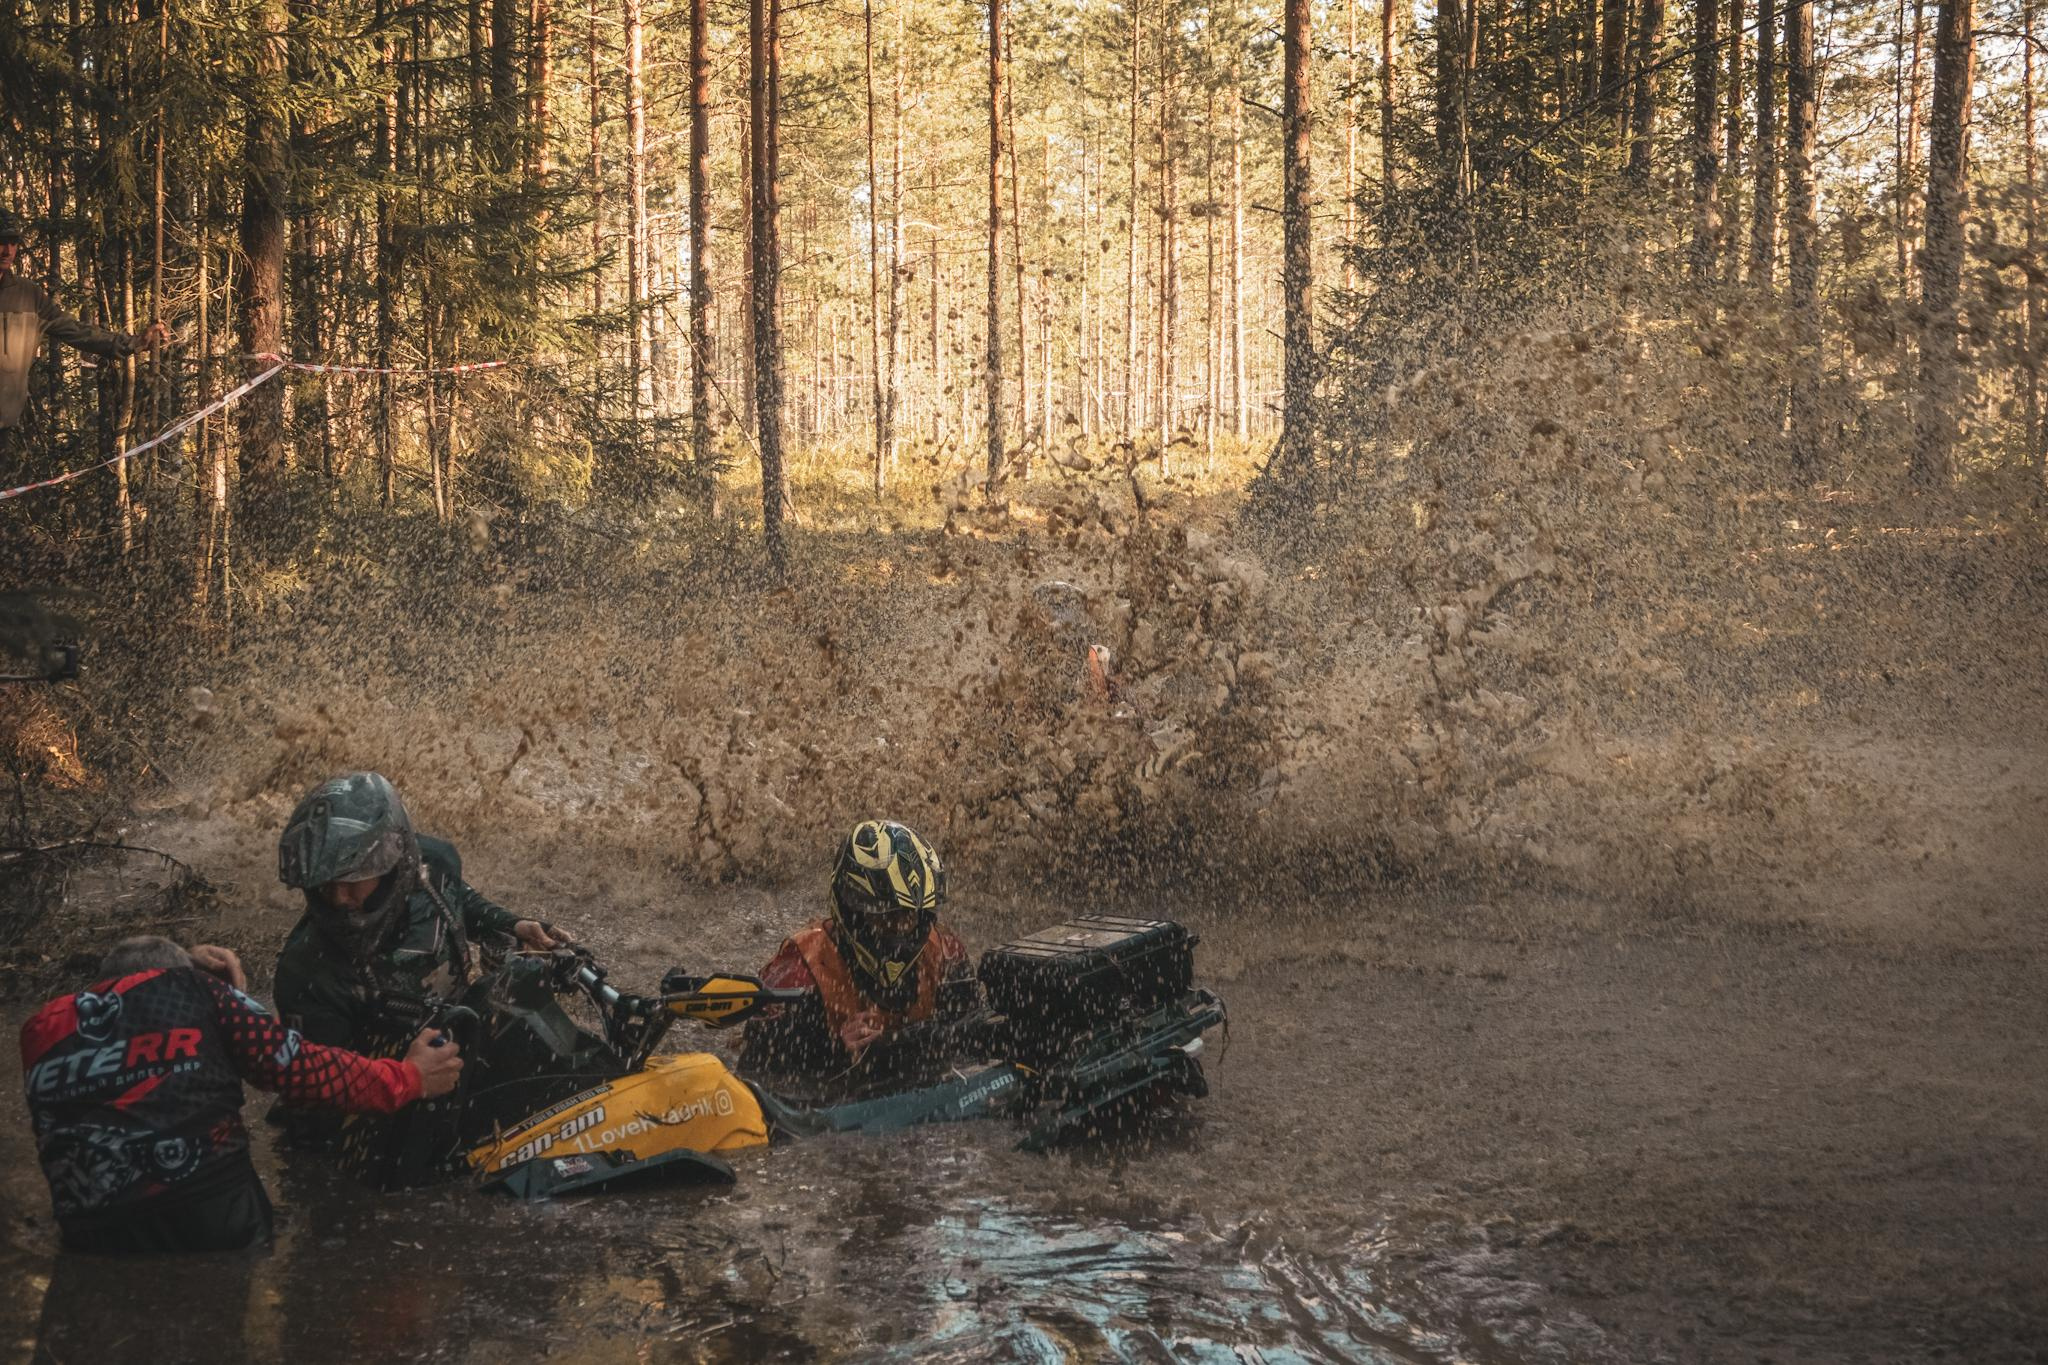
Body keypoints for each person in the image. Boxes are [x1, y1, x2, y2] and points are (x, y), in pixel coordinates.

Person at [19, 935, 462, 1254]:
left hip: (88, 1231)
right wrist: (409, 1077)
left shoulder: (40, 1029)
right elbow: (301, 1069)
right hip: (209, 1213)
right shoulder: (197, 992)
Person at [269, 772, 568, 1143]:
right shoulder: (306, 975)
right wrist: (407, 1076)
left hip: (460, 1041)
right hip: (392, 1105)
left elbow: (458, 900)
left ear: (393, 863)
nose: (339, 898)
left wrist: (511, 924)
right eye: (325, 884)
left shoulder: (433, 867)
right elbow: (319, 1104)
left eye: (352, 879)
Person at [740, 820, 980, 1085]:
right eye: (885, 917)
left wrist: (897, 1044)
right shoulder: (798, 974)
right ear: (852, 911)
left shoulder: (945, 954)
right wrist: (836, 1052)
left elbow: (972, 1037)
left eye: (908, 917)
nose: (899, 933)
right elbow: (758, 1075)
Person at [0, 209, 169, 433]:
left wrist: (134, 343)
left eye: (13, 242)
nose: (7, 250)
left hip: (6, 430)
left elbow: (77, 331)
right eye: (1, 242)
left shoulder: (28, 295)